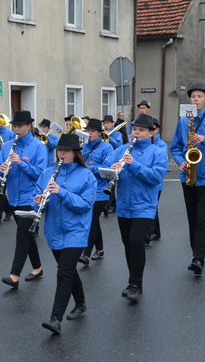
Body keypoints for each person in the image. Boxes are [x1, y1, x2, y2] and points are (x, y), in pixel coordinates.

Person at [36, 134, 96, 335]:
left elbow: (85, 205)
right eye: (60, 150)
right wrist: (38, 200)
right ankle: (81, 303)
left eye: (67, 151)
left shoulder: (87, 175)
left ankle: (56, 319)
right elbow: (36, 194)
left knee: (63, 272)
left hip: (76, 230)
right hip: (54, 230)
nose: (62, 154)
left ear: (76, 153)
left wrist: (61, 192)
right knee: (68, 271)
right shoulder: (47, 172)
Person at [169, 84, 205, 275]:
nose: (195, 99)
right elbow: (176, 147)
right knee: (192, 217)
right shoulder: (182, 122)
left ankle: (198, 258)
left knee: (202, 217)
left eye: (199, 96)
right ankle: (195, 252)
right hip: (187, 175)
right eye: (193, 96)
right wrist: (180, 161)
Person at [108, 114, 168, 303]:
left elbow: (155, 177)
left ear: (151, 132)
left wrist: (133, 165)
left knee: (136, 242)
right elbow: (104, 166)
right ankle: (131, 280)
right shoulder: (123, 149)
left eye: (142, 130)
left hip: (145, 205)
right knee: (128, 245)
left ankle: (137, 284)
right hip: (124, 204)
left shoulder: (157, 151)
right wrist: (112, 170)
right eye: (135, 130)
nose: (137, 133)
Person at [0, 110, 48, 289]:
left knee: (21, 235)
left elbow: (41, 174)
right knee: (27, 235)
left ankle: (14, 275)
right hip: (13, 196)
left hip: (31, 196)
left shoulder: (39, 146)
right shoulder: (7, 145)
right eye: (14, 126)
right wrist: (2, 168)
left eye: (19, 126)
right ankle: (38, 268)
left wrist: (20, 163)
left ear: (29, 126)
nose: (16, 129)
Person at [79, 118, 113, 264]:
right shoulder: (84, 146)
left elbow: (107, 170)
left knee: (91, 221)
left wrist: (88, 168)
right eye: (87, 131)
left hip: (100, 190)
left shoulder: (107, 148)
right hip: (85, 189)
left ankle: (85, 254)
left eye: (92, 131)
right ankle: (100, 249)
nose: (89, 133)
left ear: (99, 133)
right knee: (94, 221)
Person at [147, 119, 168, 244]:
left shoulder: (162, 145)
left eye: (153, 129)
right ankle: (155, 231)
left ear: (157, 129)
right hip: (145, 179)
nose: (152, 131)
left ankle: (149, 233)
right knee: (152, 206)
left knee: (152, 206)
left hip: (156, 182)